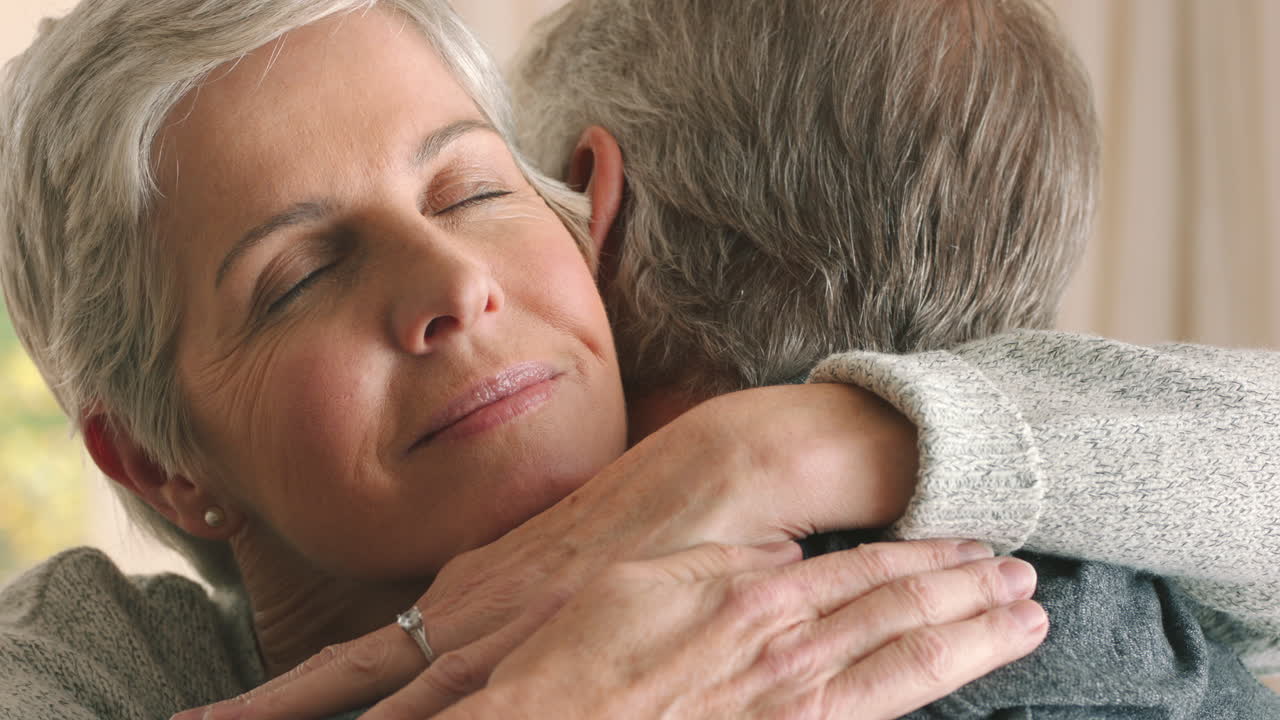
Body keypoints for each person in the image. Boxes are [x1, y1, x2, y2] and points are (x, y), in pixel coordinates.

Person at [0, 0, 1273, 718]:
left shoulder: (991, 617)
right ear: (163, 464)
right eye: (300, 274)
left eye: (469, 191)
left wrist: (780, 442)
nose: (454, 284)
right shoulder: (90, 663)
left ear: (586, 223)